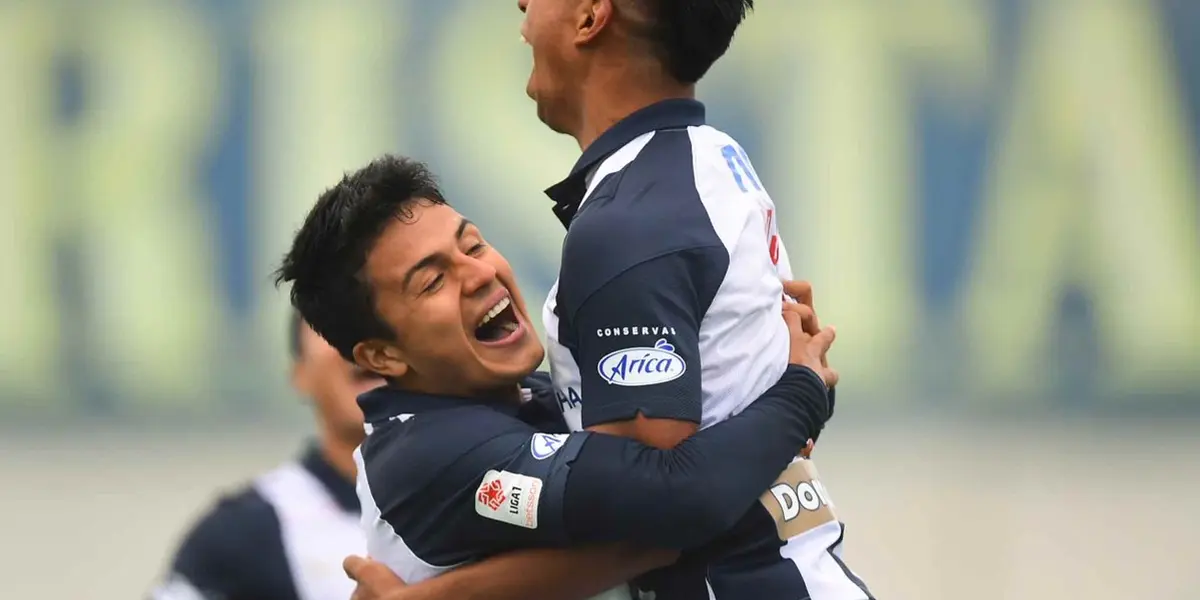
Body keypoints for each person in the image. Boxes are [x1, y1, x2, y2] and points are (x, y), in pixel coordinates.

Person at [273, 156, 840, 600]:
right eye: (431, 282)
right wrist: (799, 388)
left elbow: (713, 468)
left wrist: (773, 357)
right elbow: (678, 510)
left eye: (471, 245)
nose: (479, 274)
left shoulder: (529, 398)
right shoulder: (426, 456)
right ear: (383, 356)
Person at [148, 313, 383, 600]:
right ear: (299, 375)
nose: (360, 342)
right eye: (337, 321)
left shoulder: (453, 507)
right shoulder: (242, 533)